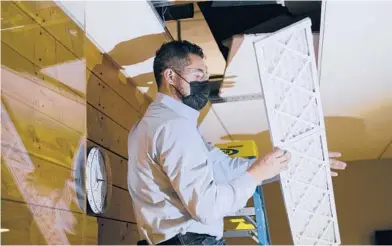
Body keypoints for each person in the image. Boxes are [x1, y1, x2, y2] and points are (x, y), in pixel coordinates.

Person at [127, 40, 347, 245]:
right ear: (171, 76)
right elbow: (208, 207)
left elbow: (223, 168)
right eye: (198, 74)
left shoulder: (154, 124)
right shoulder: (174, 127)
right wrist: (256, 174)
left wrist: (299, 162)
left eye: (205, 75)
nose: (204, 82)